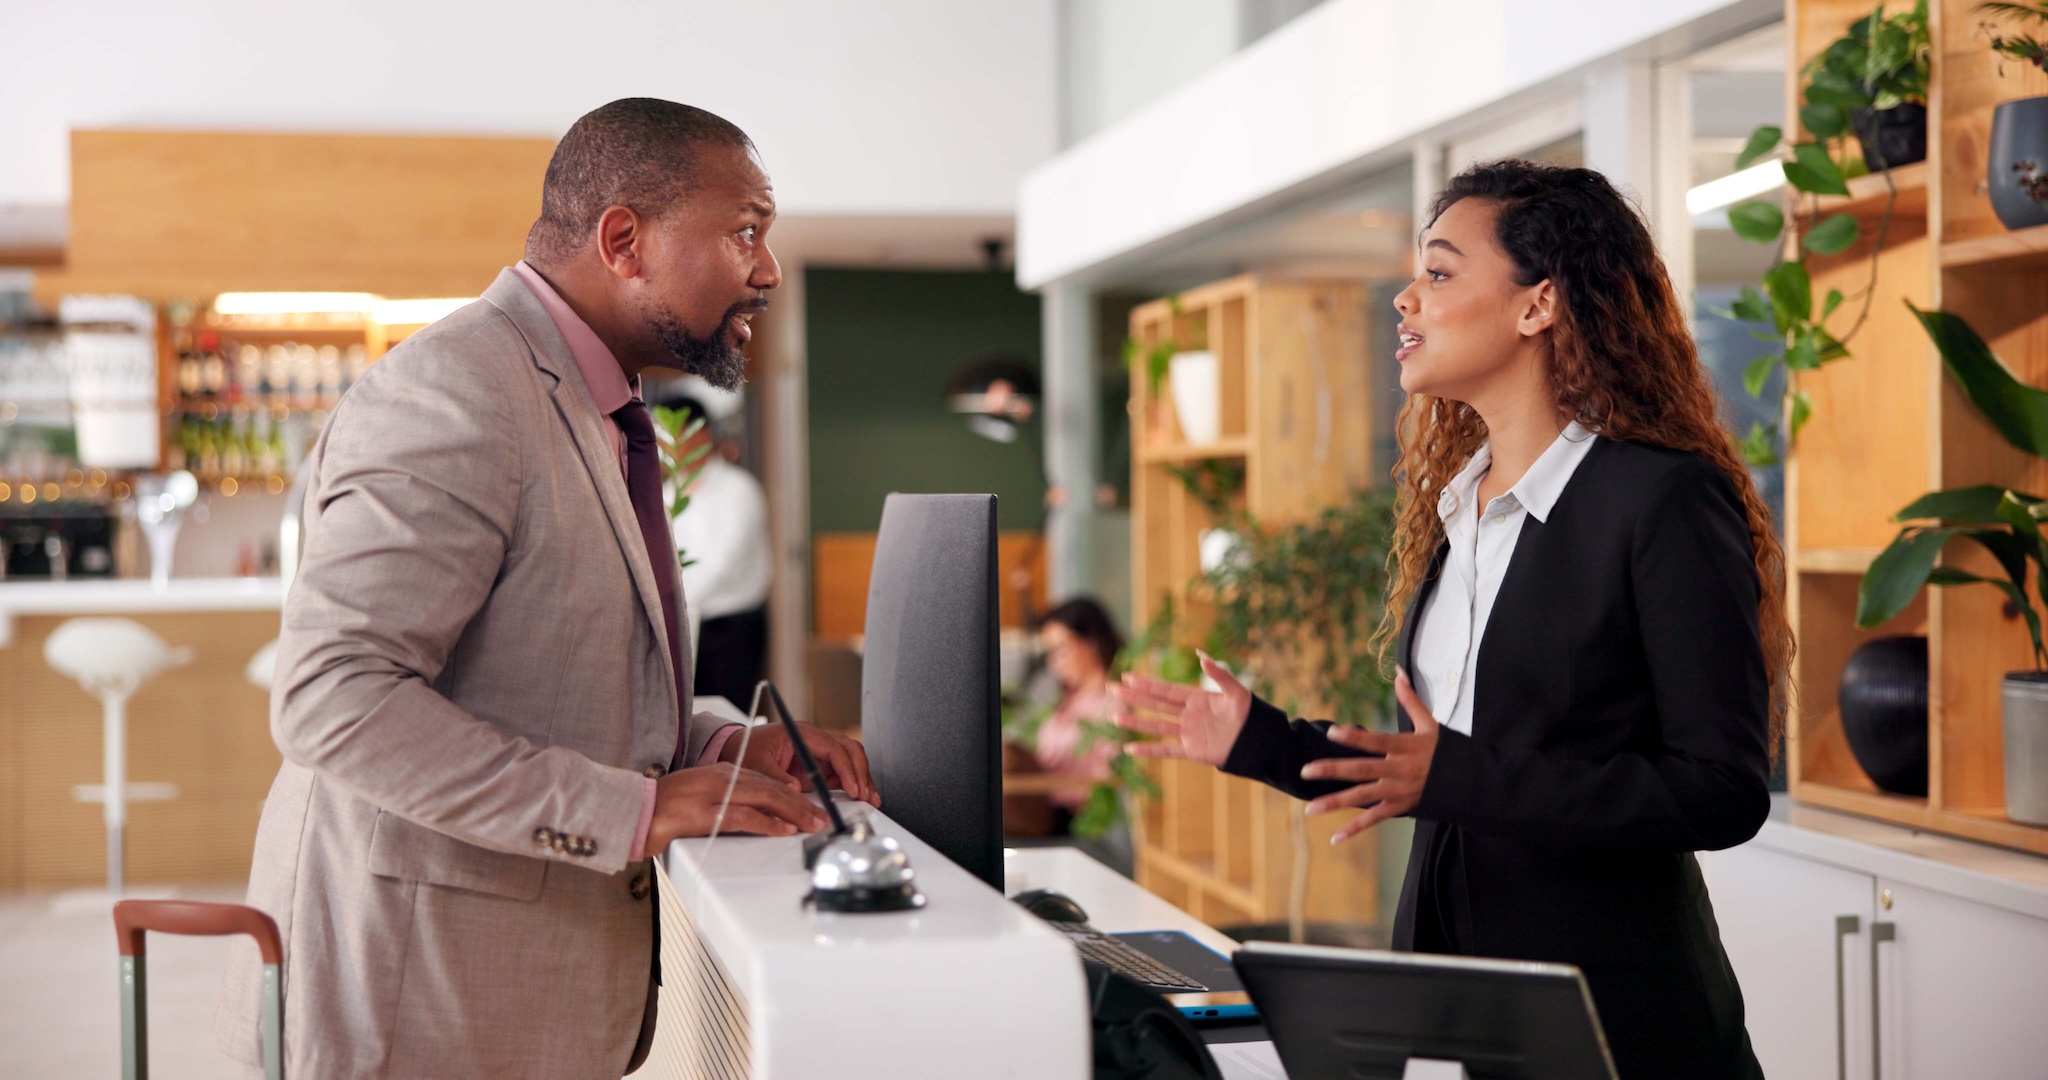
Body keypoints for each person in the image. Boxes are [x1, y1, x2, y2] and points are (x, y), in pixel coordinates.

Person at [216, 98, 878, 1079]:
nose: (767, 269)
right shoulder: (457, 391)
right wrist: (635, 812)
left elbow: (541, 676)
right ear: (624, 241)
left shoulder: (594, 406)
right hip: (411, 1005)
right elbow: (333, 699)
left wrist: (717, 745)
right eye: (746, 230)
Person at [1114, 160, 1785, 1080]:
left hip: (1617, 1023)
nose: (1406, 299)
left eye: (1438, 272)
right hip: (1452, 1012)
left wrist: (1459, 775)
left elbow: (1722, 789)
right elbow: (1433, 766)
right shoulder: (1457, 509)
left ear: (1537, 305)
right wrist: (1261, 742)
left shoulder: (1660, 498)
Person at [658, 378, 772, 705]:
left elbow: (721, 564)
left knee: (730, 718)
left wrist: (669, 607)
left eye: (674, 434)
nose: (666, 445)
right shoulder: (665, 494)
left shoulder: (738, 490)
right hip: (683, 627)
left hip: (731, 630)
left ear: (701, 435)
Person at [1028, 597, 1125, 825]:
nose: (1053, 663)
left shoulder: (1115, 702)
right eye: (1050, 653)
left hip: (1075, 821)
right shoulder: (1069, 701)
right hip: (1044, 812)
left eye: (1060, 650)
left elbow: (1107, 781)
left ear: (1091, 643)